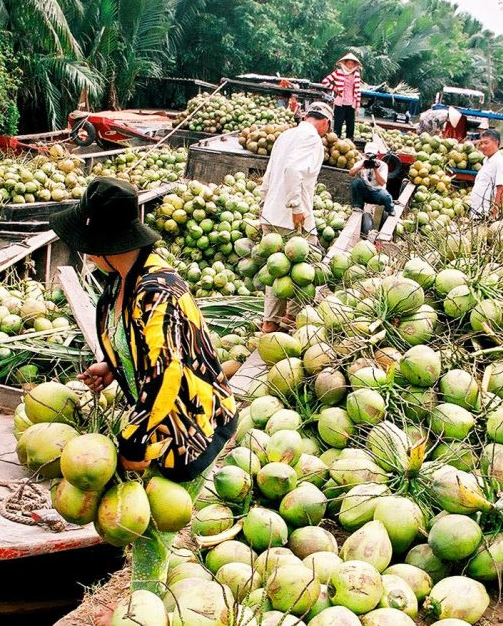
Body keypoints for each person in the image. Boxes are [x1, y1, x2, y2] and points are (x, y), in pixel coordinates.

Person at [48, 177, 238, 482]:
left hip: (191, 427)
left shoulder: (156, 291)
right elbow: (144, 346)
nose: (87, 254)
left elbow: (165, 375)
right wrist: (115, 366)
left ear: (103, 244)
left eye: (88, 247)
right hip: (157, 422)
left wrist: (132, 443)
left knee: (153, 522)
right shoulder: (120, 280)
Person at [258, 101, 332, 333]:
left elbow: (270, 173)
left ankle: (270, 322)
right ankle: (291, 320)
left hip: (272, 213)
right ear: (324, 122)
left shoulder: (286, 135)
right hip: (292, 217)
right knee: (306, 269)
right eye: (328, 127)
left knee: (278, 270)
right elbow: (292, 170)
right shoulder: (312, 139)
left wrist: (263, 202)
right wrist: (296, 206)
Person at [349, 142, 395, 240]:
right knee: (356, 182)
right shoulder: (362, 163)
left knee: (387, 197)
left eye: (372, 156)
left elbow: (382, 183)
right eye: (367, 155)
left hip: (377, 192)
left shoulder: (382, 165)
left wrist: (375, 169)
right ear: (364, 155)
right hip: (366, 191)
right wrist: (360, 167)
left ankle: (390, 210)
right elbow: (351, 173)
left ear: (377, 156)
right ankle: (357, 206)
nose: (370, 158)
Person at [470, 128, 503, 219]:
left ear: (497, 143)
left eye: (486, 143)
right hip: (477, 212)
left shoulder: (500, 162)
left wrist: (494, 211)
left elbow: (501, 189)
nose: (482, 146)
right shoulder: (486, 161)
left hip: (486, 214)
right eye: (481, 143)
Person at [322, 53, 362, 140]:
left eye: (352, 64)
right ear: (345, 63)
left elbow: (358, 91)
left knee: (350, 125)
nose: (350, 66)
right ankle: (336, 141)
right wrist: (334, 88)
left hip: (351, 104)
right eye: (349, 63)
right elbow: (325, 81)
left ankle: (349, 142)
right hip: (340, 103)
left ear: (355, 65)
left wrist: (358, 106)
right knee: (338, 124)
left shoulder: (356, 75)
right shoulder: (338, 72)